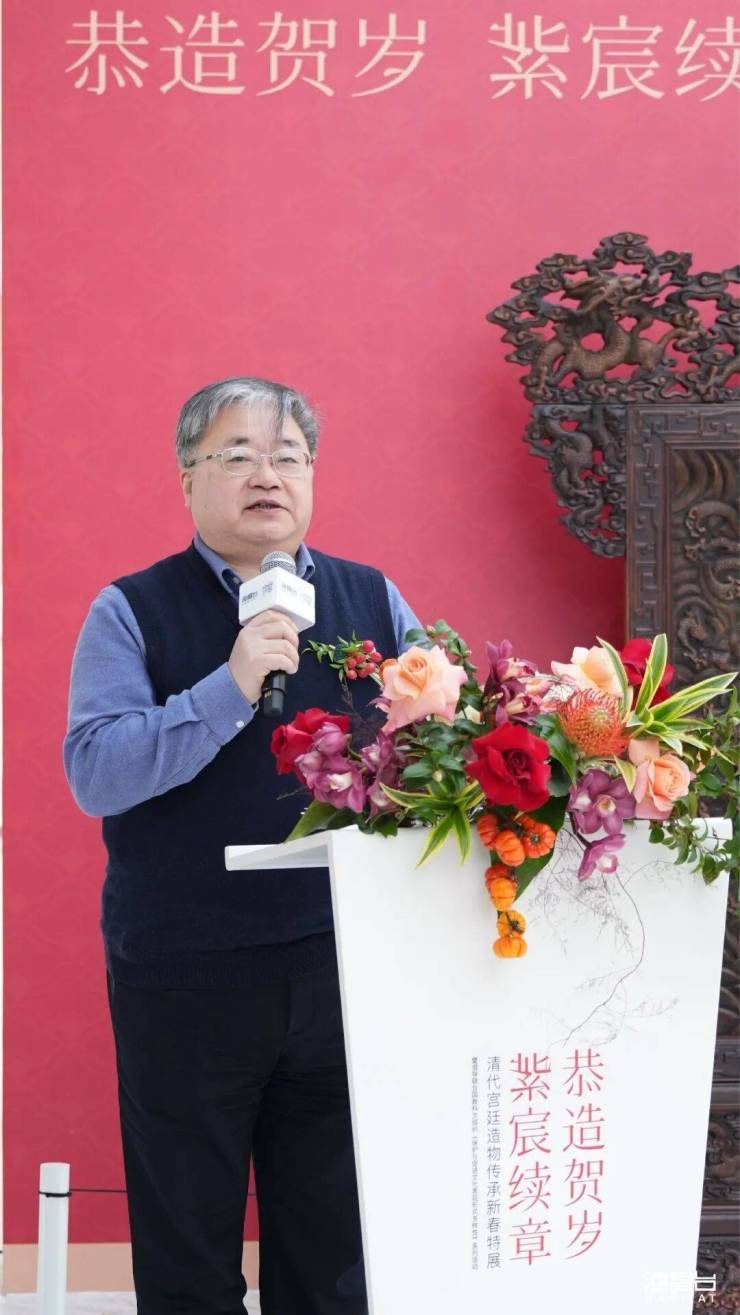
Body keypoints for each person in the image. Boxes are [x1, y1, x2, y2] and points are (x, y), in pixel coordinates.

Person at [64, 376, 422, 1315]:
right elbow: (96, 772)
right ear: (187, 477)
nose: (267, 475)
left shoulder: (373, 597)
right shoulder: (130, 609)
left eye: (287, 456)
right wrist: (229, 685)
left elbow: (438, 745)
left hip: (341, 969)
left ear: (312, 475)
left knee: (334, 1262)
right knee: (188, 1262)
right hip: (185, 977)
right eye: (237, 455)